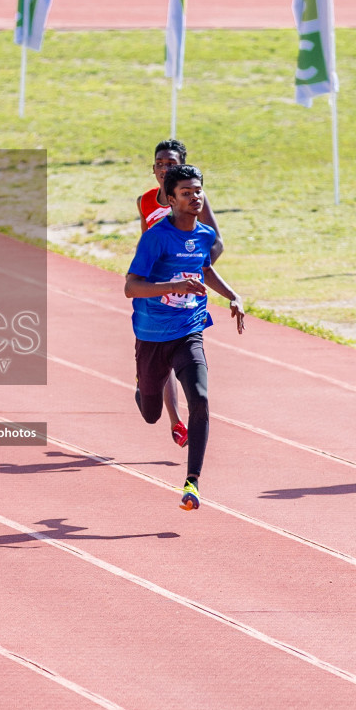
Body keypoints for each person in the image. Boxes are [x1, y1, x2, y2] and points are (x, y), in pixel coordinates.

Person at [126, 164, 245, 511]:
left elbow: (205, 268)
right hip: (150, 335)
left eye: (198, 192)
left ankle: (192, 481)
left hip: (188, 328)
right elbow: (131, 287)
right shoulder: (156, 238)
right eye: (186, 193)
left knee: (201, 398)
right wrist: (175, 285)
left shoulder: (205, 235)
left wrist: (232, 296)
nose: (194, 198)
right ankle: (143, 383)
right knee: (150, 413)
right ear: (173, 200)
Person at [137, 140, 225, 449]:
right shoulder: (146, 201)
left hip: (186, 294)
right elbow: (145, 242)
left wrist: (193, 270)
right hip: (155, 294)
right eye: (159, 163)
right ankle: (170, 413)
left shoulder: (193, 199)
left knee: (179, 352)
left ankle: (177, 421)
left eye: (171, 164)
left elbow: (216, 243)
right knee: (160, 354)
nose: (164, 169)